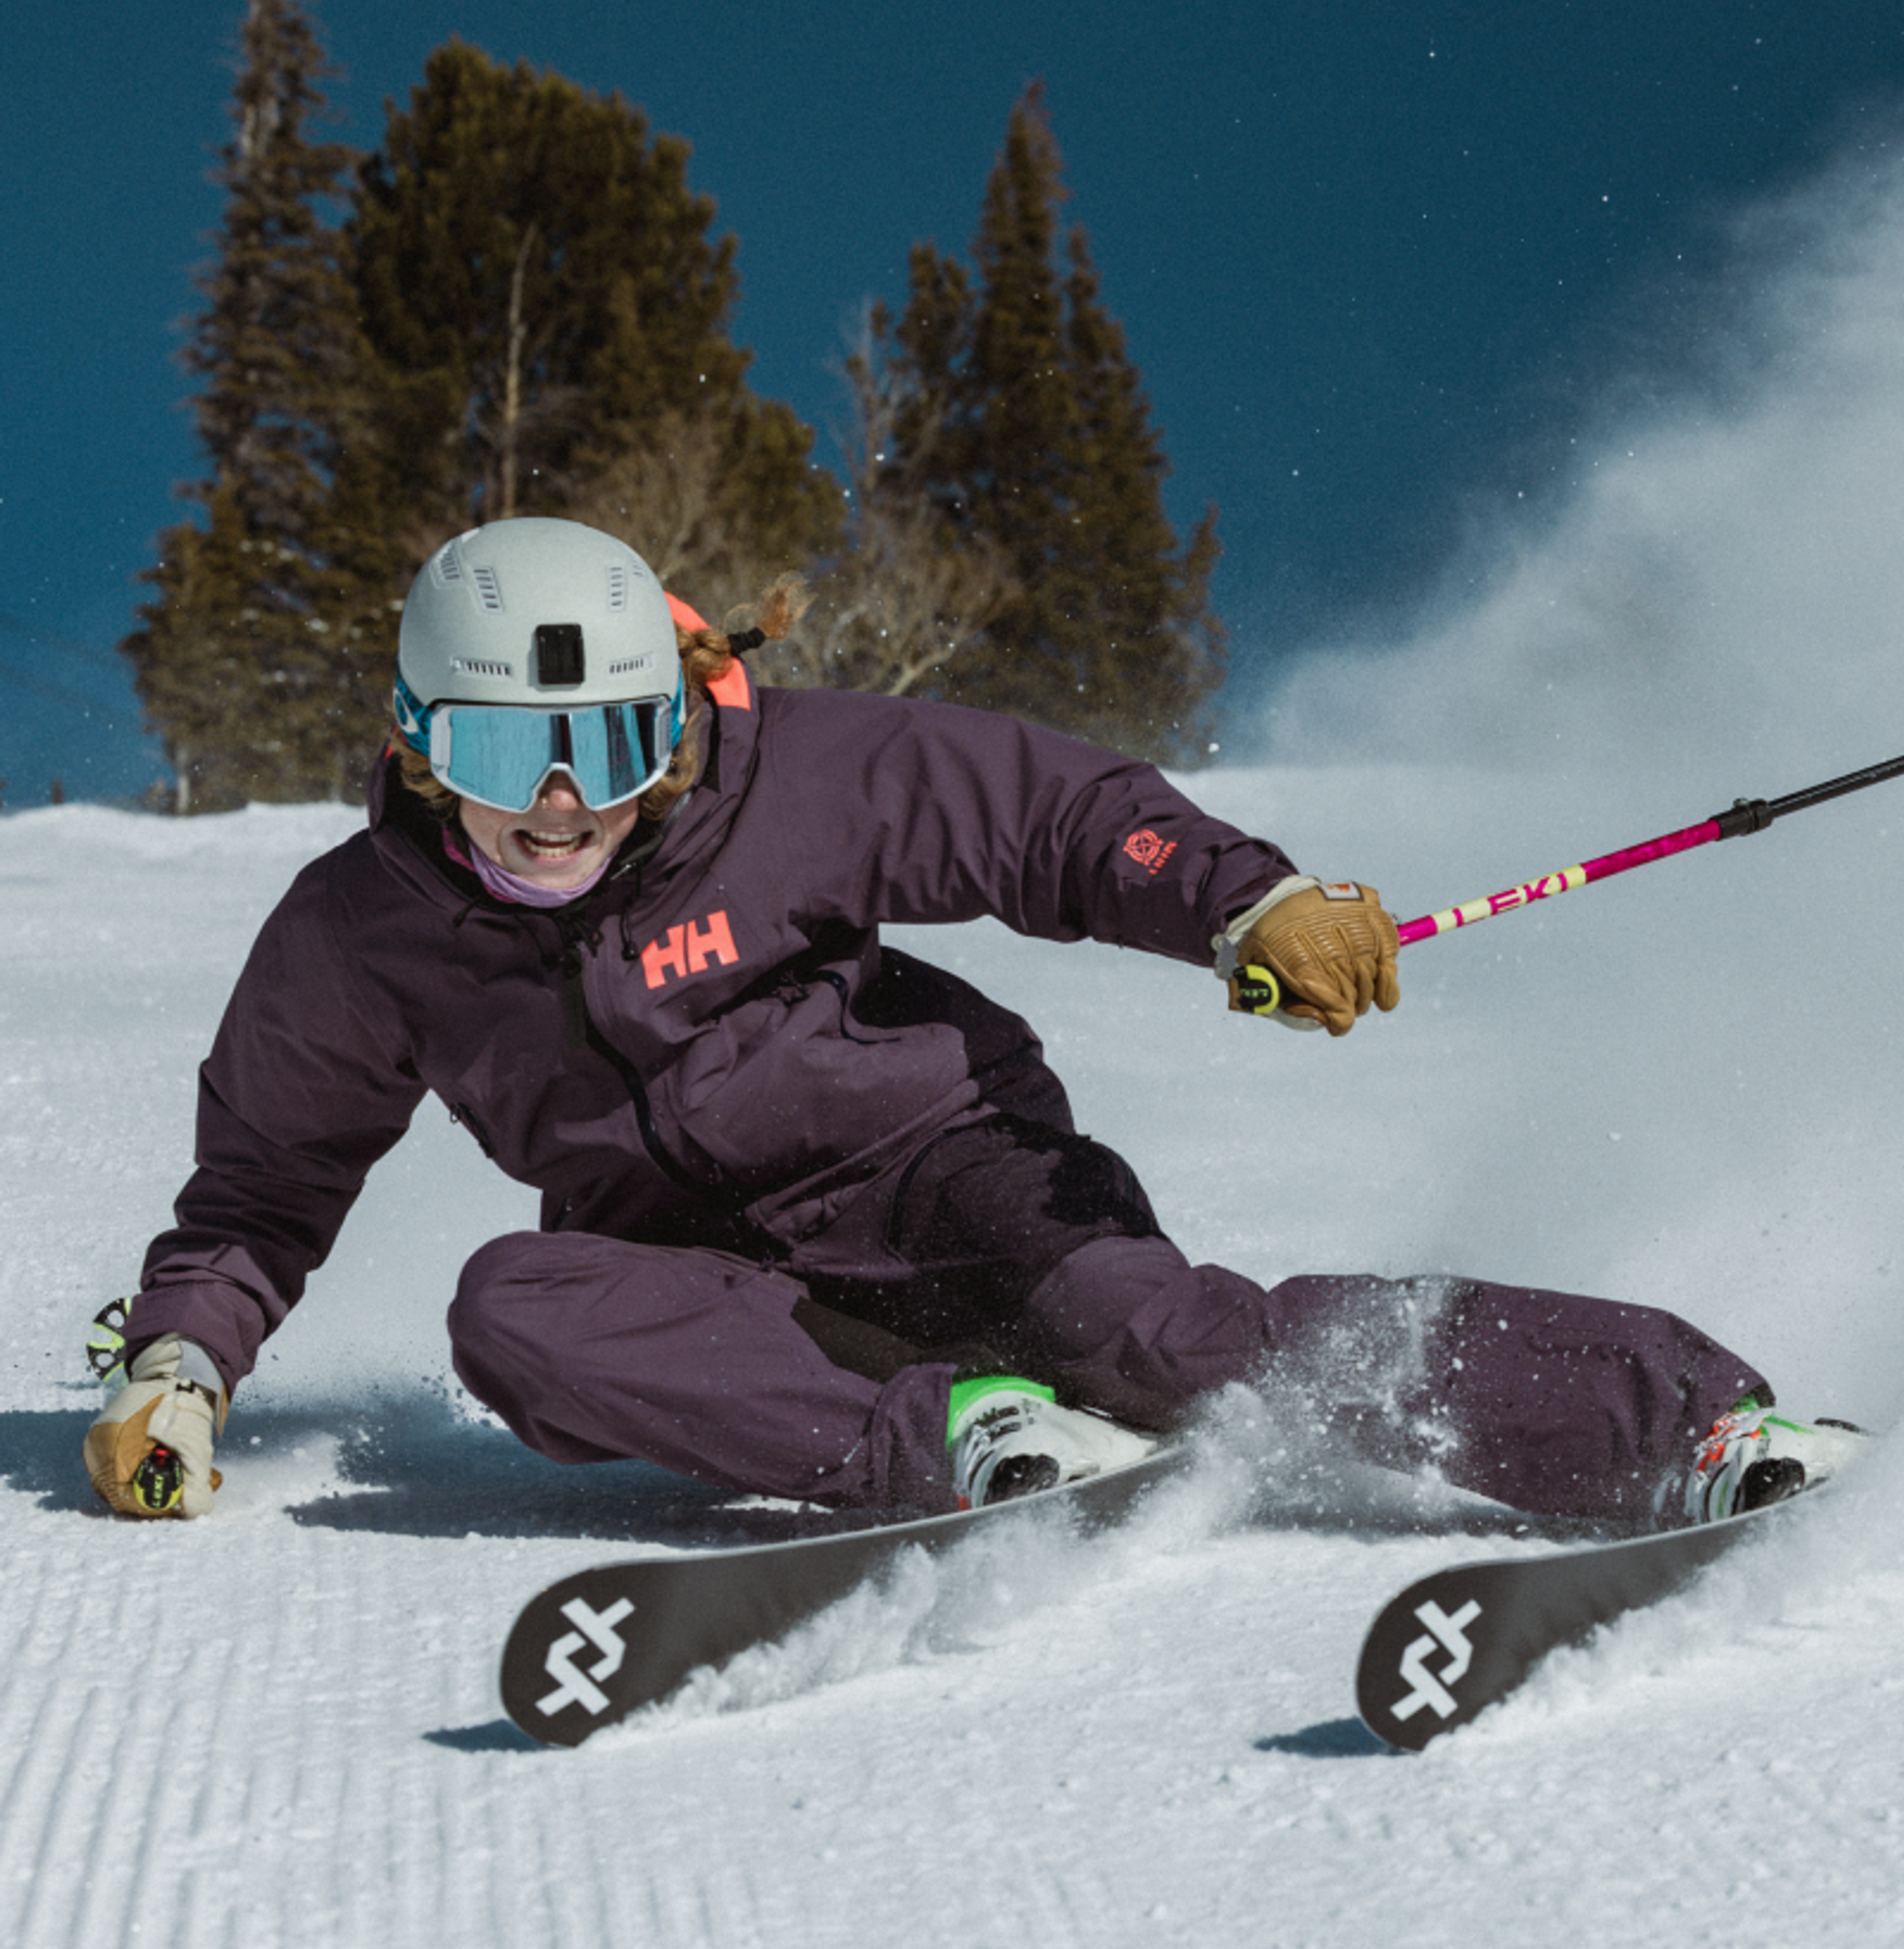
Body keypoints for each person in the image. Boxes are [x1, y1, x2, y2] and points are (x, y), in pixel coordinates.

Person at [83, 518, 1858, 1530]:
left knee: (1167, 1344)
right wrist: (183, 1368)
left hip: (945, 1169)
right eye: (495, 754)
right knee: (515, 1315)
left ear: (671, 730)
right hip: (715, 1284)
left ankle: (1681, 1428)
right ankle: (961, 1439)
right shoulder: (357, 936)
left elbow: (1058, 819)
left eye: (608, 749)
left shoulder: (789, 780)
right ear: (413, 741)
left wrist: (1247, 898)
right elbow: (261, 1190)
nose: (558, 810)